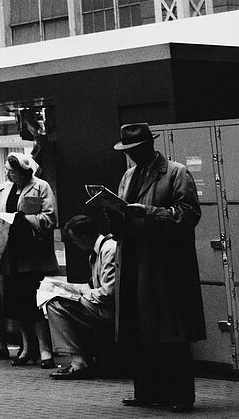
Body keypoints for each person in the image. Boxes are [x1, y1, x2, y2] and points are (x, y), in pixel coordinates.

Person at [106, 123, 204, 412]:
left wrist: (148, 213)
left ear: (149, 145)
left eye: (135, 149)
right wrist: (113, 214)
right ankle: (147, 391)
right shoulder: (128, 176)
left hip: (164, 265)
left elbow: (189, 214)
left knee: (170, 332)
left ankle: (180, 395)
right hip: (135, 261)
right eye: (128, 151)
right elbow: (122, 220)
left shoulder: (176, 172)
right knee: (138, 330)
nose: (132, 155)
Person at [0, 152, 58, 367]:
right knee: (16, 306)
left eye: (13, 172)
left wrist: (23, 220)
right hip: (9, 256)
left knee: (33, 304)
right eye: (7, 171)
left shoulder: (41, 186)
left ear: (24, 172)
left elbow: (50, 217)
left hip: (31, 256)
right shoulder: (3, 189)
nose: (9, 175)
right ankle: (27, 348)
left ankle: (45, 349)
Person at [46, 214, 117, 380]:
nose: (74, 244)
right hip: (103, 305)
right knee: (58, 301)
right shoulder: (97, 251)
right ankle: (79, 358)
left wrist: (82, 292)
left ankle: (78, 361)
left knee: (55, 305)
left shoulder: (109, 250)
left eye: (75, 239)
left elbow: (108, 293)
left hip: (110, 310)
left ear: (85, 237)